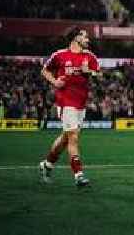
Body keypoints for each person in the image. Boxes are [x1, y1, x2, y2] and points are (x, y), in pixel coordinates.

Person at [38, 27, 100, 187]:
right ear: (76, 38)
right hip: (65, 101)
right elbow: (45, 70)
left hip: (81, 102)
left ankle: (47, 164)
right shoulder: (59, 55)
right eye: (85, 37)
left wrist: (89, 72)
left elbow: (98, 74)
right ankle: (79, 174)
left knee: (66, 138)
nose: (88, 40)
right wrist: (54, 81)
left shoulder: (90, 56)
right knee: (73, 137)